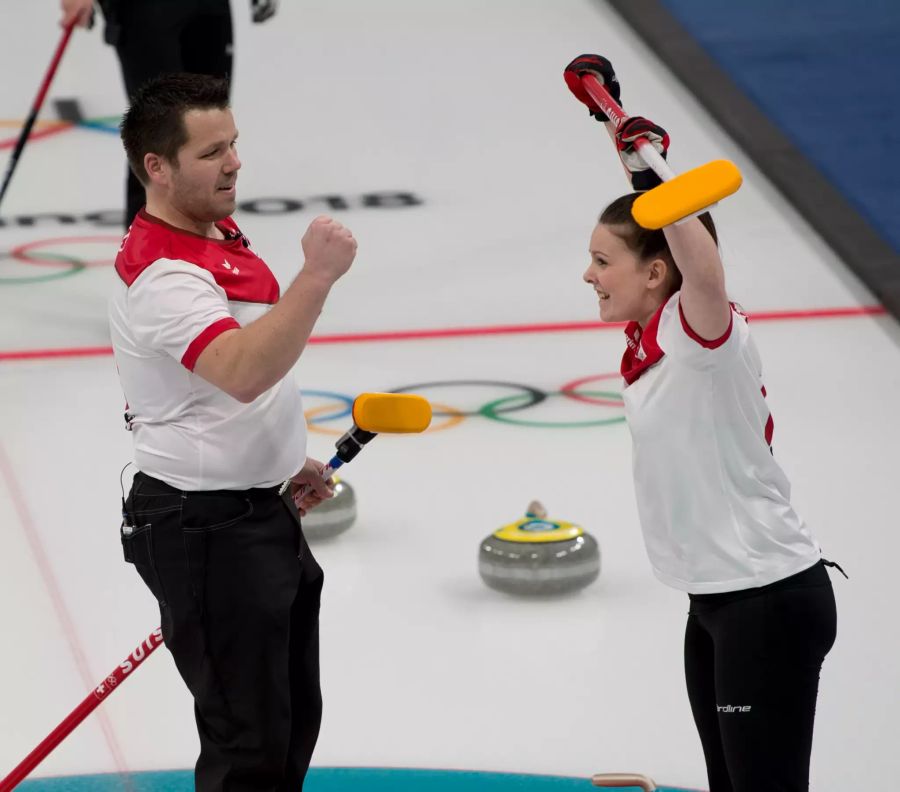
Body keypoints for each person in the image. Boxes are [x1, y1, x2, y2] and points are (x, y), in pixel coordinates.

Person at [564, 55, 840, 792]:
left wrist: (656, 186)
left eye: (601, 260)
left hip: (767, 599)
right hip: (717, 599)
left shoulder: (703, 334)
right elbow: (671, 245)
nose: (589, 275)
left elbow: (703, 268)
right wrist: (626, 151)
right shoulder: (652, 342)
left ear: (656, 273)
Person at [109, 72, 356, 791]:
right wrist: (317, 277)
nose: (235, 162)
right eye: (212, 151)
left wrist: (279, 459)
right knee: (249, 745)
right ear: (157, 167)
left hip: (256, 511)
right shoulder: (163, 274)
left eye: (235, 144)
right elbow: (241, 369)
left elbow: (223, 390)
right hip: (204, 530)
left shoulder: (212, 234)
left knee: (288, 722)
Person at [60, 0, 277, 228]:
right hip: (144, 10)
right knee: (158, 130)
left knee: (210, 124)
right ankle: (148, 251)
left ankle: (207, 248)